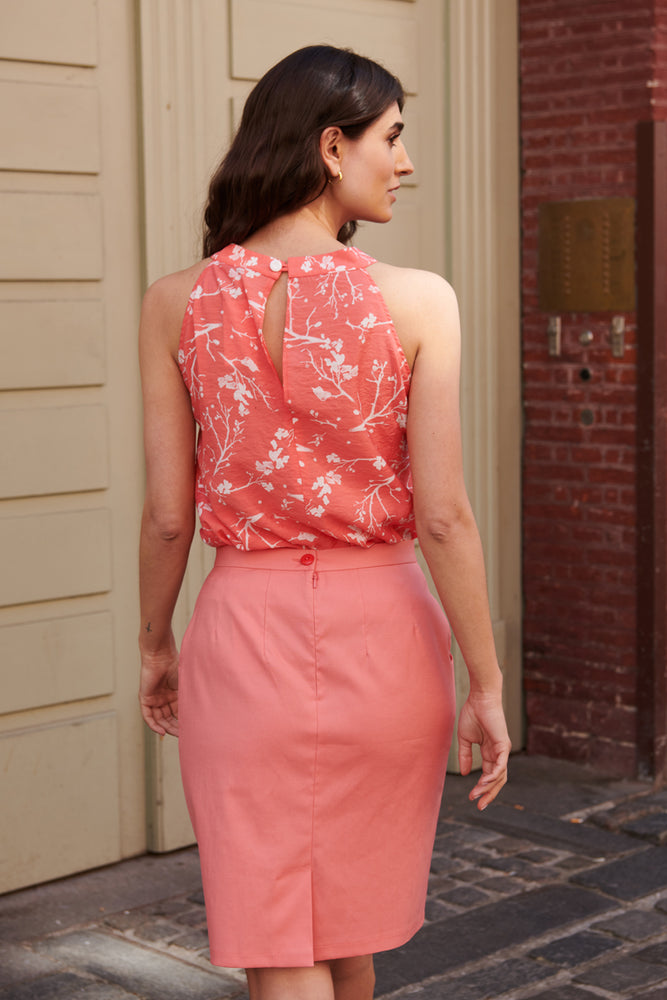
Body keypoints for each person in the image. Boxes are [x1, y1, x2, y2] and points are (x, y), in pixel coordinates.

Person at [138, 44, 510, 1000]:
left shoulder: (175, 303)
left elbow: (169, 519)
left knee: (281, 935)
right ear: (332, 147)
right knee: (347, 929)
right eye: (393, 137)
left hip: (244, 639)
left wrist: (155, 642)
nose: (406, 161)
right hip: (386, 639)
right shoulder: (419, 301)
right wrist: (485, 681)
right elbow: (445, 517)